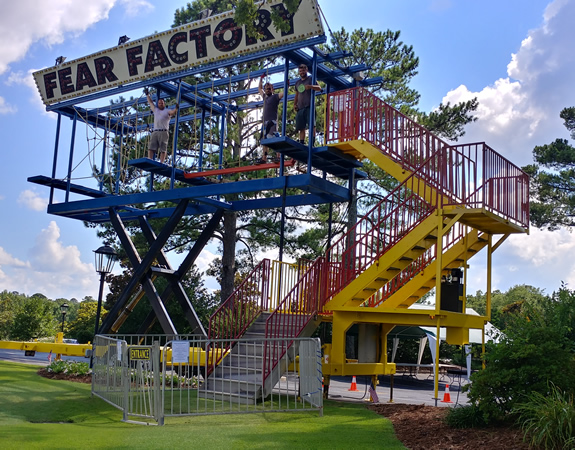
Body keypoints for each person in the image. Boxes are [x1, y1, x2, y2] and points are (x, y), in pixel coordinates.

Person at [145, 88, 178, 164]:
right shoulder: (156, 110)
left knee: (163, 148)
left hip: (163, 131)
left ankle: (161, 162)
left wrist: (176, 108)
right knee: (151, 147)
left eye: (162, 103)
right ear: (158, 104)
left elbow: (172, 112)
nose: (161, 104)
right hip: (155, 131)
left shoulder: (167, 111)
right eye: (159, 103)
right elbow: (150, 102)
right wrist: (147, 95)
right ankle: (150, 160)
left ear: (164, 104)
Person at [258, 74, 284, 163]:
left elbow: (283, 94)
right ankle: (264, 158)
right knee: (264, 140)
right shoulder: (265, 97)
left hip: (272, 122)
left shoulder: (275, 96)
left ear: (272, 89)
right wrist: (261, 78)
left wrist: (287, 85)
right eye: (266, 89)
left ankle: (278, 156)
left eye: (269, 88)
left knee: (274, 138)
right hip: (265, 122)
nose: (267, 90)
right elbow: (259, 88)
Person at [294, 64, 321, 145]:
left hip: (309, 106)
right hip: (300, 107)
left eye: (303, 70)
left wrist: (310, 86)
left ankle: (312, 142)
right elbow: (297, 94)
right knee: (301, 127)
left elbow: (319, 88)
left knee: (312, 125)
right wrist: (295, 104)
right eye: (300, 71)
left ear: (306, 70)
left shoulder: (311, 79)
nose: (302, 72)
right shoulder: (298, 82)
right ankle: (301, 142)